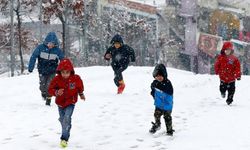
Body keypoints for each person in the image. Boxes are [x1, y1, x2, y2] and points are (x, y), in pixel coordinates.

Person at [48, 58, 85, 148]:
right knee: (63, 119)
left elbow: (80, 87)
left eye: (67, 72)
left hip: (71, 102)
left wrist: (81, 94)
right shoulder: (57, 79)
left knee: (67, 117)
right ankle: (66, 125)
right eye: (63, 72)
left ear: (71, 71)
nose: (65, 75)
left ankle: (64, 139)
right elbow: (50, 89)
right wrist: (56, 92)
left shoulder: (76, 78)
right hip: (60, 103)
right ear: (60, 72)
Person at [28, 32, 64, 105]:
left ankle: (48, 99)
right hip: (42, 70)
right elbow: (33, 56)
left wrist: (63, 69)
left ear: (55, 44)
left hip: (52, 70)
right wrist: (30, 67)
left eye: (52, 44)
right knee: (42, 85)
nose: (50, 45)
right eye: (49, 43)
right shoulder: (40, 48)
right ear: (46, 42)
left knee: (50, 85)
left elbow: (63, 60)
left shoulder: (57, 50)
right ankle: (43, 93)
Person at [149, 64, 174, 136]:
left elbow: (170, 91)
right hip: (159, 104)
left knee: (167, 117)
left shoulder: (167, 83)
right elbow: (153, 91)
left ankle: (169, 130)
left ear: (164, 75)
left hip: (167, 104)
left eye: (160, 76)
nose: (159, 77)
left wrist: (160, 87)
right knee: (156, 114)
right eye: (157, 76)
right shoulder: (155, 83)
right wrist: (153, 92)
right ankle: (157, 125)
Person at [214, 41, 241, 105]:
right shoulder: (220, 58)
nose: (227, 51)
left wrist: (238, 75)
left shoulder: (234, 59)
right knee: (222, 88)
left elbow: (237, 68)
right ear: (223, 50)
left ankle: (229, 99)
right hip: (223, 77)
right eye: (226, 50)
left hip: (231, 78)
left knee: (231, 90)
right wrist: (217, 71)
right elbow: (217, 65)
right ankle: (223, 93)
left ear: (231, 51)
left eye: (229, 50)